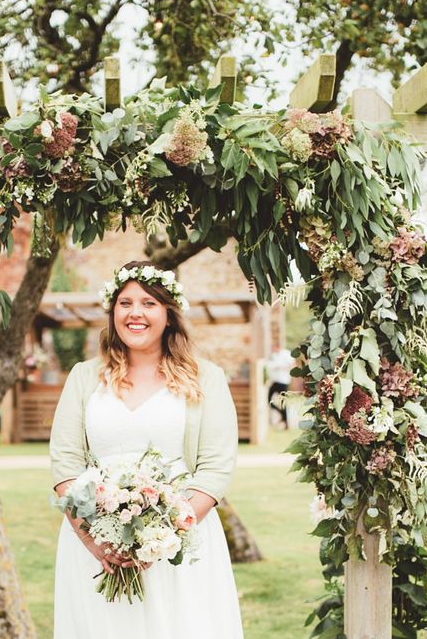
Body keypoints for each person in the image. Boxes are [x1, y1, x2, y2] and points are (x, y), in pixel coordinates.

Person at [50, 260, 244, 638]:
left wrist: (158, 538)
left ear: (169, 315)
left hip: (179, 545)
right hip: (94, 543)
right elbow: (65, 463)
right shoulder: (83, 377)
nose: (135, 313)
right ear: (113, 313)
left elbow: (216, 469)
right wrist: (95, 541)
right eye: (125, 303)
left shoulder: (207, 378)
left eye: (149, 303)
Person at [267, 348, 295, 429]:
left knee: (283, 403)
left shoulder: (286, 353)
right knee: (269, 401)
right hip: (275, 381)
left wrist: (283, 367)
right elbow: (270, 366)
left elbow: (292, 364)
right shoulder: (273, 355)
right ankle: (281, 414)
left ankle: (286, 424)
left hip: (284, 382)